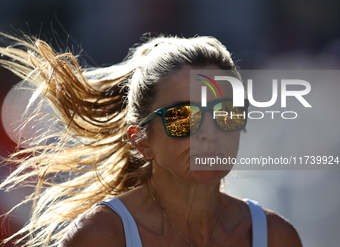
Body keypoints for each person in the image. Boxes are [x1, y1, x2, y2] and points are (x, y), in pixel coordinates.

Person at [0, 32, 302, 247]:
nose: (210, 131)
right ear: (141, 140)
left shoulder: (274, 236)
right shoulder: (102, 237)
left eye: (226, 113)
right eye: (183, 116)